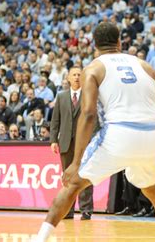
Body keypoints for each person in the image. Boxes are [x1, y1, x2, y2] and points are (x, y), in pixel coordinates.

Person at [35, 23, 155, 242]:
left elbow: (89, 114)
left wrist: (76, 162)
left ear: (94, 44)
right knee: (151, 188)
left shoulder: (93, 68)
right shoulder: (146, 66)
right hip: (154, 132)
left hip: (119, 133)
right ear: (120, 42)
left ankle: (39, 239)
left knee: (73, 184)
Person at [49, 66, 93, 220]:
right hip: (66, 142)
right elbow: (55, 120)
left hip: (85, 143)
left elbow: (95, 119)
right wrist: (53, 139)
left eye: (79, 75)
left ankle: (86, 210)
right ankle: (68, 210)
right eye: (73, 75)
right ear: (68, 78)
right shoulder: (61, 96)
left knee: (85, 176)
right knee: (68, 177)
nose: (76, 77)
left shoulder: (89, 95)